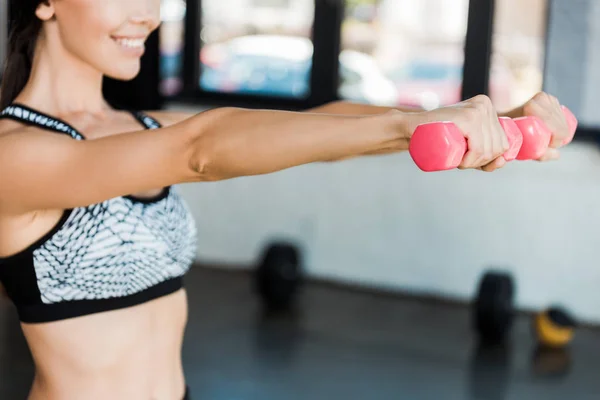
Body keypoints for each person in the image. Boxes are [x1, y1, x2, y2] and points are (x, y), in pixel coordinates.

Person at [0, 1, 572, 399]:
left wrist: (479, 122)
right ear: (45, 2)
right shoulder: (13, 152)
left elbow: (315, 128)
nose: (148, 13)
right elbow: (199, 150)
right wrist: (402, 128)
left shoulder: (136, 124)